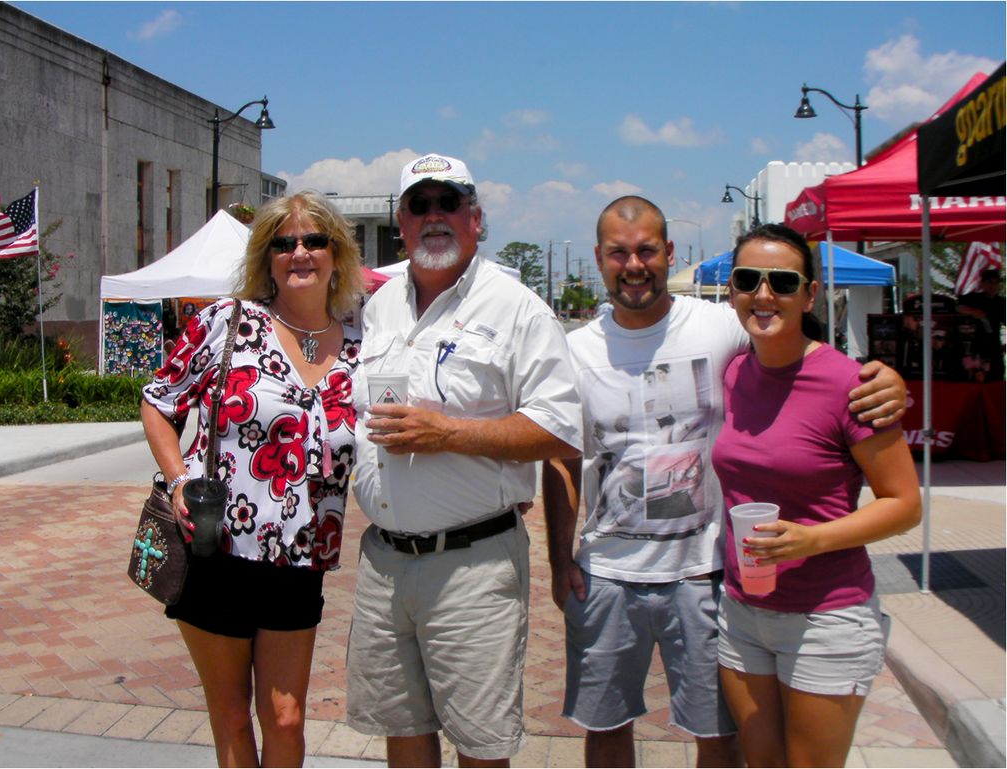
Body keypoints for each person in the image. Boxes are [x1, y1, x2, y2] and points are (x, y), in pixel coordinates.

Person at [542, 197, 907, 768]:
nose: (633, 264)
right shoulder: (574, 350)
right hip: (609, 572)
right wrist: (557, 557)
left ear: (669, 253)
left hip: (709, 572)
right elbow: (560, 458)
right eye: (619, 252)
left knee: (722, 736)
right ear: (598, 259)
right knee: (606, 729)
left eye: (646, 251)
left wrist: (887, 379)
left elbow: (803, 361)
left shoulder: (722, 327)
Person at [345, 153, 582, 768]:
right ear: (401, 221)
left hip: (472, 567)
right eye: (420, 205)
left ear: (476, 218)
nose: (435, 216)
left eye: (448, 202)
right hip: (385, 562)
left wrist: (448, 432)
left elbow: (559, 431)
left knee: (481, 747)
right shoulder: (379, 306)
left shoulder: (517, 308)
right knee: (405, 735)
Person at [140, 191, 365, 767]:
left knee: (286, 719)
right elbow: (159, 402)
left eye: (315, 240)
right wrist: (179, 478)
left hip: (301, 561)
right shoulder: (225, 323)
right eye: (283, 243)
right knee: (233, 714)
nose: (299, 253)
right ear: (266, 258)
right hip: (217, 550)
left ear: (337, 254)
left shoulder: (363, 345)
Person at [712, 223, 921, 767]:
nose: (763, 294)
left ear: (809, 294)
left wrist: (812, 539)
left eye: (781, 281)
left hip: (826, 618)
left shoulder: (852, 385)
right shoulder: (732, 371)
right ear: (731, 290)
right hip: (742, 611)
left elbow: (904, 504)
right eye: (747, 279)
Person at [958, 268, 1005, 380]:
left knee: (995, 382)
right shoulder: (974, 298)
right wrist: (973, 312)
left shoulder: (1002, 303)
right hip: (973, 349)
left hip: (994, 350)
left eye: (996, 282)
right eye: (989, 282)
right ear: (982, 284)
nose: (993, 286)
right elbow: (957, 307)